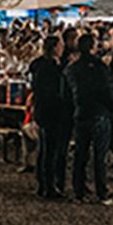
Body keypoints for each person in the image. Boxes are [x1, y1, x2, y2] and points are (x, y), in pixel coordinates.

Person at [66, 33, 113, 202]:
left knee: (80, 154)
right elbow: (107, 91)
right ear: (92, 47)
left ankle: (79, 190)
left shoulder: (72, 69)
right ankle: (101, 192)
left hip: (81, 113)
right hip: (100, 113)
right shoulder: (99, 68)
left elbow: (67, 92)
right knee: (100, 155)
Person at [29, 35, 73, 200]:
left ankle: (43, 184)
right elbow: (55, 92)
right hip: (53, 112)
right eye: (60, 45)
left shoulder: (39, 66)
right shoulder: (51, 68)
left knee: (44, 149)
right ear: (55, 48)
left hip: (42, 111)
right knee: (52, 150)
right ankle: (50, 186)